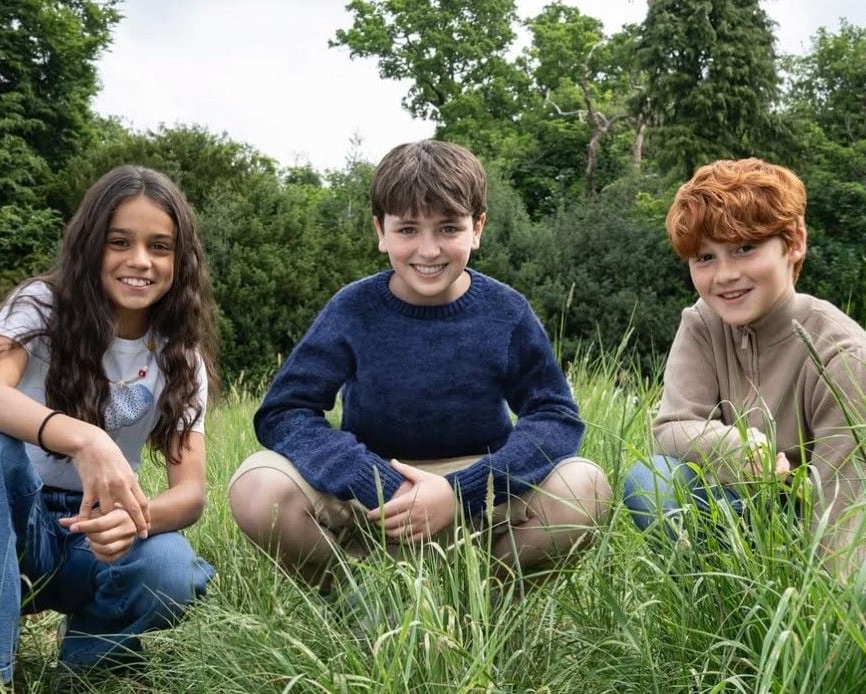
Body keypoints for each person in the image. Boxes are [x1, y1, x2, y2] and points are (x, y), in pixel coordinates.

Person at [228, 139, 611, 590]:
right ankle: (360, 593)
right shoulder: (353, 309)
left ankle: (479, 597)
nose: (428, 250)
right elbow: (284, 412)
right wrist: (373, 480)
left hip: (478, 494)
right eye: (408, 229)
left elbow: (555, 416)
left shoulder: (506, 311)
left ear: (477, 228)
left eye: (448, 228)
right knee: (256, 487)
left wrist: (461, 492)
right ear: (381, 230)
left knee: (586, 486)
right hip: (371, 495)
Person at [0, 165, 218, 684]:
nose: (140, 261)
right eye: (119, 242)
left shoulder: (181, 355)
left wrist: (137, 519)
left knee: (171, 567)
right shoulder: (40, 305)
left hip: (98, 534)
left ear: (181, 260)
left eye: (160, 247)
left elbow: (191, 493)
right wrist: (86, 439)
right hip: (11, 518)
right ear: (90, 244)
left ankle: (84, 670)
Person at [622, 158, 866, 577]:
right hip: (732, 508)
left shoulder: (844, 353)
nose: (725, 275)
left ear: (794, 242)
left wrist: (827, 602)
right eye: (705, 257)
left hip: (809, 522)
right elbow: (671, 427)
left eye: (745, 248)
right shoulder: (702, 323)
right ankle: (712, 598)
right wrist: (738, 448)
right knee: (650, 480)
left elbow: (847, 502)